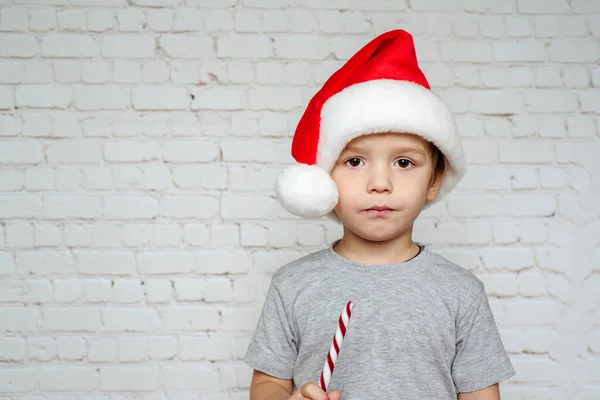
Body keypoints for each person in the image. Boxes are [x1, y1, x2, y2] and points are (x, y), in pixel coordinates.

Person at [244, 29, 515, 400]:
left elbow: (481, 394)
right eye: (354, 161)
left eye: (404, 162)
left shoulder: (461, 292)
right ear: (323, 178)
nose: (380, 183)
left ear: (434, 180)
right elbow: (268, 382)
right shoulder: (293, 284)